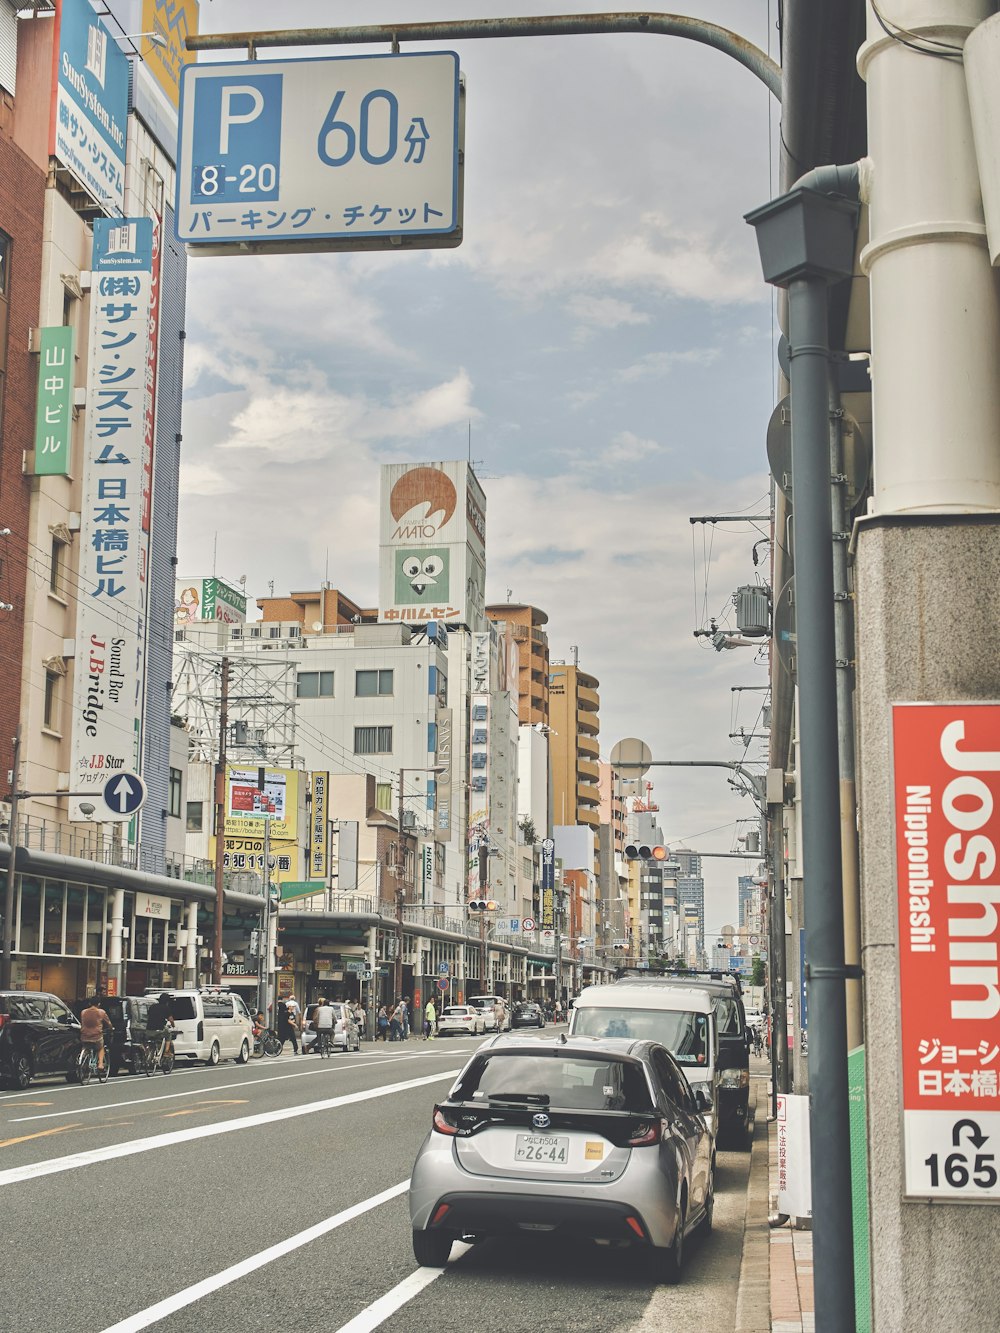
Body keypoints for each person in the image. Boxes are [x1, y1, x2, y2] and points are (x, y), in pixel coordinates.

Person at [80, 996, 113, 1074]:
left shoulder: (83, 1012)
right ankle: (100, 1064)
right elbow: (108, 1023)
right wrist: (111, 1028)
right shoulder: (101, 1012)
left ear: (89, 1003)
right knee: (100, 1047)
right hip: (96, 1036)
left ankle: (83, 1059)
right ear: (99, 1004)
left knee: (86, 1046)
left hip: (84, 1036)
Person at [145, 991, 175, 1069]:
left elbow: (149, 1016)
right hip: (159, 1029)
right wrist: (173, 1026)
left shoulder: (152, 1007)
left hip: (148, 1030)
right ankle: (166, 1052)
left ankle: (150, 1055)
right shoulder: (166, 1008)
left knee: (153, 1040)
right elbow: (171, 1019)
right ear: (167, 1001)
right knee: (168, 1034)